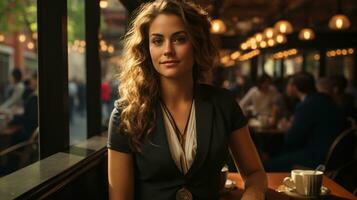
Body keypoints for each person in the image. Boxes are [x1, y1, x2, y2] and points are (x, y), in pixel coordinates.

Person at [107, 1, 267, 199]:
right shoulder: (125, 114)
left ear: (196, 44)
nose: (167, 50)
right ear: (147, 49)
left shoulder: (223, 104)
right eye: (157, 41)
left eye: (179, 39)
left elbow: (255, 173)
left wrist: (253, 194)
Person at [265, 72, 344, 171]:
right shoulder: (326, 100)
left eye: (289, 84)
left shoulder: (306, 105)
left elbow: (291, 140)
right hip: (338, 157)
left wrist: (287, 128)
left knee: (269, 165)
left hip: (317, 158)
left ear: (295, 87)